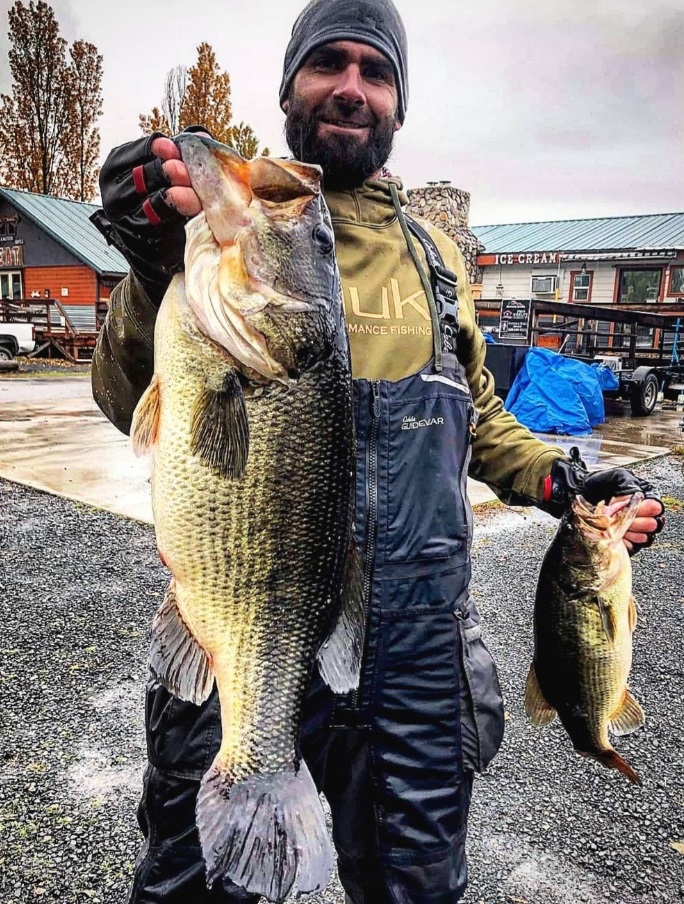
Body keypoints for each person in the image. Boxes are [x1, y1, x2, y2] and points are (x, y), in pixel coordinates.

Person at [90, 1, 665, 901]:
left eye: (376, 70)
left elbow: (470, 406)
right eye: (328, 65)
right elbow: (130, 400)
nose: (351, 89)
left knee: (414, 882)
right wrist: (151, 265)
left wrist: (565, 480)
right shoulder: (214, 240)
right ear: (289, 85)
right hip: (248, 612)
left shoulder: (435, 257)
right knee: (193, 881)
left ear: (398, 101)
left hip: (418, 649)